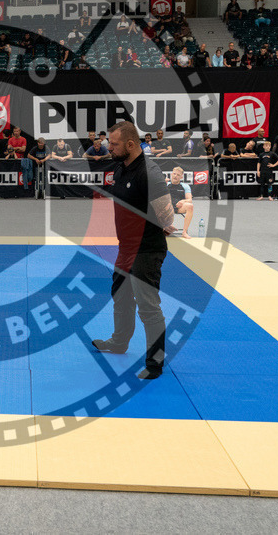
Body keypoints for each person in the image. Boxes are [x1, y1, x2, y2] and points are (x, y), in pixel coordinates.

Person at [91, 121, 174, 380]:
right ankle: (119, 342)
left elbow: (167, 216)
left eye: (114, 144)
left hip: (146, 250)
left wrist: (161, 223)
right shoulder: (121, 166)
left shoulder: (149, 172)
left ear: (130, 144)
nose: (109, 147)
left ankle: (155, 363)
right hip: (126, 247)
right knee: (121, 296)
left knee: (148, 307)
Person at [167, 167, 194, 239]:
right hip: (166, 208)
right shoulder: (165, 184)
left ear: (181, 177)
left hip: (179, 207)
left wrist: (183, 201)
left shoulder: (185, 186)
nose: (175, 176)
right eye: (174, 174)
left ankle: (184, 232)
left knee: (190, 206)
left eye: (178, 175)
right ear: (171, 174)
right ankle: (165, 229)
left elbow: (189, 199)